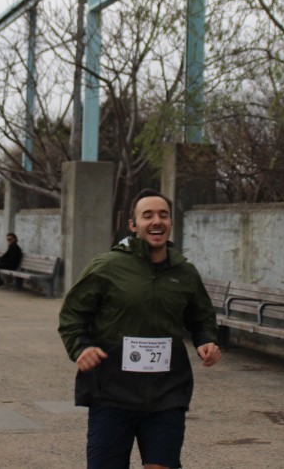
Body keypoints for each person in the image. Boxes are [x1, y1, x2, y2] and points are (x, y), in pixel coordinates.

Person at [58, 188, 222, 469]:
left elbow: (201, 318)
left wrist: (205, 340)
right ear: (133, 225)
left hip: (167, 392)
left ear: (170, 223)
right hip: (112, 392)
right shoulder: (107, 267)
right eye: (147, 215)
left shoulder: (184, 272)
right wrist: (81, 347)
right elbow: (72, 315)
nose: (156, 221)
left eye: (163, 215)